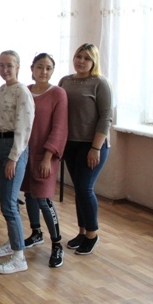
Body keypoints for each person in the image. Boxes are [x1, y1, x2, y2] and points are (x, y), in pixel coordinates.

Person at [59, 43, 112, 255]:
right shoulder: (65, 81)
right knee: (78, 190)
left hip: (92, 145)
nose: (81, 61)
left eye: (87, 58)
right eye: (78, 56)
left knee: (84, 188)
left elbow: (106, 117)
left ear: (94, 62)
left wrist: (95, 148)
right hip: (70, 143)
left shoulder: (100, 83)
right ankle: (81, 232)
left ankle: (92, 234)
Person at [0, 50, 35, 275]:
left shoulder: (22, 91)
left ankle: (19, 257)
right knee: (6, 202)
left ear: (18, 67)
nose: (5, 69)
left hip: (13, 148)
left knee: (8, 202)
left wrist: (13, 158)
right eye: (1, 65)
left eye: (9, 65)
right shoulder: (1, 89)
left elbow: (24, 128)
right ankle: (12, 242)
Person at [22, 53, 68, 268]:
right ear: (32, 68)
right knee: (29, 194)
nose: (44, 71)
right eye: (40, 67)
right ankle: (36, 232)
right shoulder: (25, 90)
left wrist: (48, 157)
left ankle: (57, 244)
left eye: (48, 68)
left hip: (45, 155)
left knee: (43, 198)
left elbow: (59, 128)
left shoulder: (58, 94)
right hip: (25, 152)